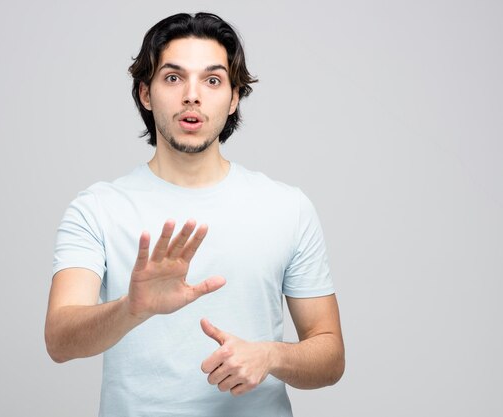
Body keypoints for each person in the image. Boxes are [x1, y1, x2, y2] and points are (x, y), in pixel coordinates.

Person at [45, 12, 344, 417]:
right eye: (172, 78)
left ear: (234, 97)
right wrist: (131, 308)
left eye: (212, 79)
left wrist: (272, 356)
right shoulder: (98, 208)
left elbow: (330, 357)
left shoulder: (287, 207)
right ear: (145, 94)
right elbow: (60, 340)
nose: (192, 95)